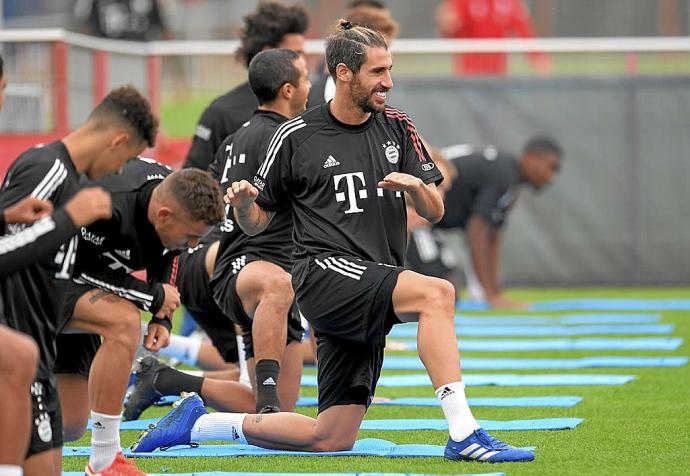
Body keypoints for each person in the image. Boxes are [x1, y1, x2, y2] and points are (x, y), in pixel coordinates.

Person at [133, 21, 533, 463]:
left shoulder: (398, 126)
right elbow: (256, 223)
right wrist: (246, 204)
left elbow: (435, 210)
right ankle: (465, 432)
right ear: (344, 73)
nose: (389, 82)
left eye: (389, 69)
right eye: (378, 72)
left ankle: (199, 423)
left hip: (371, 278)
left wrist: (416, 190)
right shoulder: (295, 136)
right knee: (437, 293)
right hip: (324, 275)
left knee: (331, 437)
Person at [0, 84, 153, 476]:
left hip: (39, 354)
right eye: (127, 158)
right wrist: (69, 218)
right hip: (15, 352)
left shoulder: (73, 178)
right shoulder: (45, 167)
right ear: (117, 140)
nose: (121, 171)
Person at [53, 162, 230, 474]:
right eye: (190, 236)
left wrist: (162, 315)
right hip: (43, 276)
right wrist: (151, 296)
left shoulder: (172, 196)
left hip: (81, 282)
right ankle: (106, 460)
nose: (192, 246)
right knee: (123, 322)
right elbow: (77, 266)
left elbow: (170, 254)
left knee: (69, 424)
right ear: (163, 215)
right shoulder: (110, 204)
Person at [431, 138, 562, 308]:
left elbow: (492, 237)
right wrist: (491, 296)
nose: (551, 177)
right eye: (550, 167)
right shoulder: (504, 175)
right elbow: (476, 233)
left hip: (429, 224)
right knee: (441, 295)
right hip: (410, 215)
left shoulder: (509, 180)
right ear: (530, 157)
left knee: (448, 294)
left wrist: (495, 292)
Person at [183, 1, 309, 171]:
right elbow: (192, 180)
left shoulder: (312, 105)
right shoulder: (221, 113)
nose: (303, 61)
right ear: (267, 54)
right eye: (295, 54)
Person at [435, 0, 549, 75]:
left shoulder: (509, 3)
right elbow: (452, 31)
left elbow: (524, 30)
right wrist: (447, 25)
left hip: (497, 74)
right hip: (469, 75)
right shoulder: (463, 2)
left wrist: (536, 57)